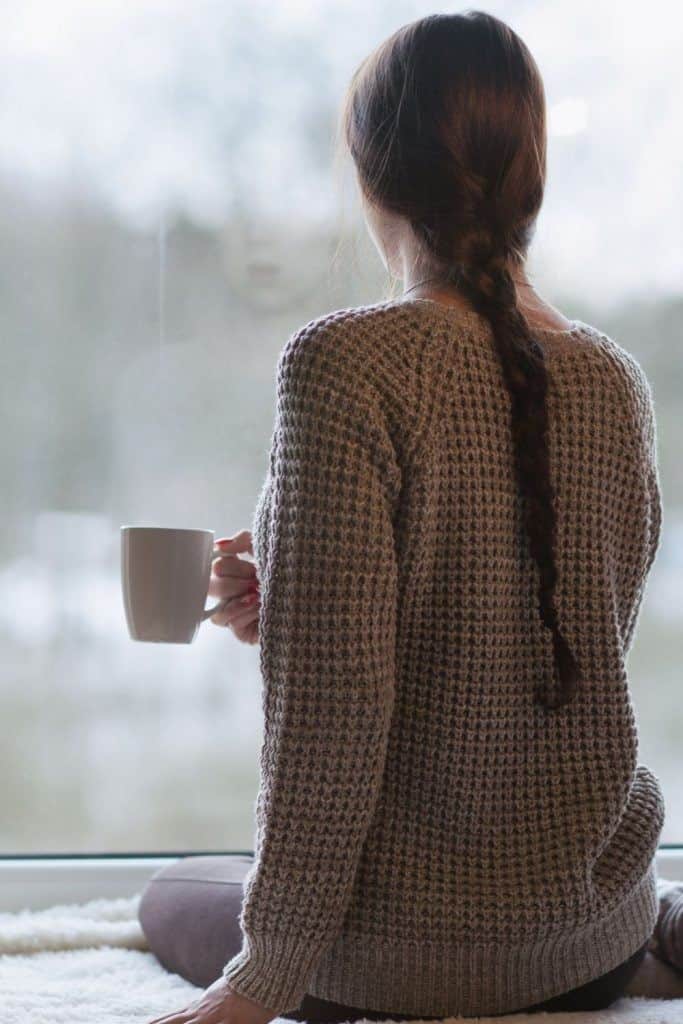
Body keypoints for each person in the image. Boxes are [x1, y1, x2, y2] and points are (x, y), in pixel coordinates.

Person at [140, 11, 670, 1023]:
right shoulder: (615, 381)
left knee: (173, 892)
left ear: (370, 171)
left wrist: (263, 977)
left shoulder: (344, 365)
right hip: (590, 940)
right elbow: (560, 651)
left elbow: (330, 717)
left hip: (394, 962)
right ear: (529, 173)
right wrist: (298, 586)